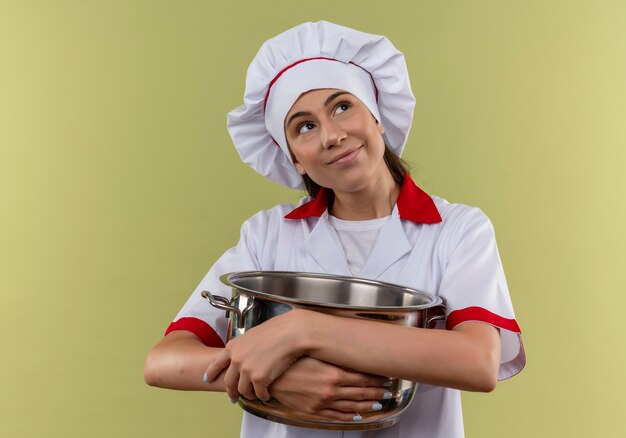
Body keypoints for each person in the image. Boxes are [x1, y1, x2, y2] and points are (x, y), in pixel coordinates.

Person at [144, 21, 525, 438]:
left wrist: (301, 331)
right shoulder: (267, 236)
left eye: (343, 106)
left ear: (377, 117)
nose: (332, 135)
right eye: (304, 126)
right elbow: (164, 362)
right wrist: (278, 382)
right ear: (296, 161)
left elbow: (478, 361)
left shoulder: (457, 230)